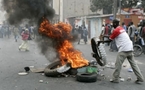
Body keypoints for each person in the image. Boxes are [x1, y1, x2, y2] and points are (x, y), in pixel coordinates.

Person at [103, 19, 144, 84]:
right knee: (134, 65)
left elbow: (110, 40)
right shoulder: (121, 28)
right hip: (130, 48)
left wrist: (101, 42)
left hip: (124, 49)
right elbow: (114, 36)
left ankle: (115, 79)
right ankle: (140, 78)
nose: (112, 25)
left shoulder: (116, 30)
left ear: (115, 24)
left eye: (113, 23)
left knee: (118, 64)